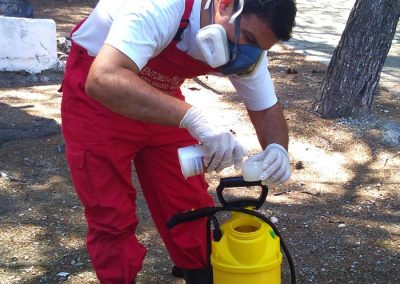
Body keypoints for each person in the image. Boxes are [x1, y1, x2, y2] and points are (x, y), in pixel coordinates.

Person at [60, 0, 296, 283]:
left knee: (188, 201)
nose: (247, 53)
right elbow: (104, 78)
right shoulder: (159, 7)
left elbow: (267, 108)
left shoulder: (244, 45)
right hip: (98, 101)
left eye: (259, 47)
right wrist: (194, 119)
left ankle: (200, 273)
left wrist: (278, 149)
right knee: (110, 212)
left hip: (160, 101)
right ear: (225, 5)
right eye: (248, 39)